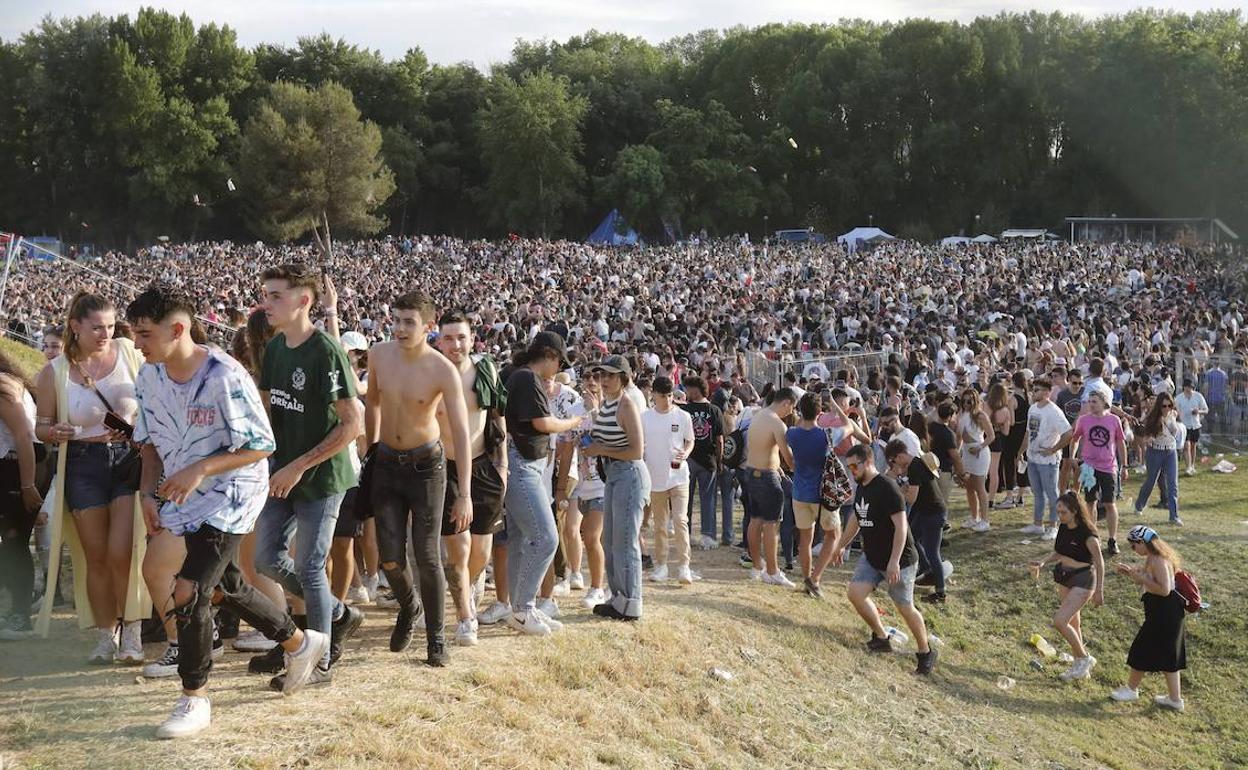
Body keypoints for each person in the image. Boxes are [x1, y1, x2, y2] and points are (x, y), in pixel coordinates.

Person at [127, 284, 329, 739]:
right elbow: (150, 444)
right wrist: (147, 495)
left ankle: (193, 698)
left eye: (144, 334)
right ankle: (300, 643)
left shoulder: (223, 374)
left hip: (233, 492)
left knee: (190, 589)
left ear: (177, 329)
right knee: (228, 584)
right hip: (183, 492)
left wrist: (200, 468)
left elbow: (261, 446)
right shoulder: (149, 376)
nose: (136, 344)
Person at [254, 265, 365, 682]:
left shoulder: (325, 351)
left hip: (320, 478)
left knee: (310, 567)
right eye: (266, 294)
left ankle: (317, 662)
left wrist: (299, 465)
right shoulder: (276, 348)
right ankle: (338, 613)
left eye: (276, 295)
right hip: (281, 473)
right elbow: (266, 411)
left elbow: (351, 424)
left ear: (304, 301)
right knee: (266, 560)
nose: (267, 303)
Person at [34, 291, 149, 661]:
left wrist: (137, 431)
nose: (105, 334)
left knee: (122, 552)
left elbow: (154, 398)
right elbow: (41, 427)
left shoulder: (130, 353)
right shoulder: (55, 371)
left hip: (128, 460)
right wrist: (56, 432)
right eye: (97, 327)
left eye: (111, 326)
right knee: (95, 555)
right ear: (75, 326)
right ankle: (106, 635)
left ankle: (132, 632)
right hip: (83, 462)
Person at [363, 292, 475, 664]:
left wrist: (465, 494)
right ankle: (409, 607)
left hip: (427, 467)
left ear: (428, 327)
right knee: (390, 558)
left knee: (427, 555)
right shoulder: (379, 355)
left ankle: (436, 639)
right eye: (395, 320)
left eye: (408, 322)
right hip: (386, 464)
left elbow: (460, 431)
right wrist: (372, 449)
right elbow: (373, 401)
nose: (399, 328)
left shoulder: (442, 370)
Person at [826, 444, 937, 675]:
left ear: (868, 462)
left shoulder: (887, 487)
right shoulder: (862, 487)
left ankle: (926, 651)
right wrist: (840, 546)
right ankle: (881, 636)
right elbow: (857, 519)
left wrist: (894, 561)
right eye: (849, 467)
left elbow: (901, 527)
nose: (852, 470)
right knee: (855, 593)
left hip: (899, 560)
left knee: (905, 607)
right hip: (873, 556)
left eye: (855, 466)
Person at [500, 332, 583, 634]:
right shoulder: (526, 378)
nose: (559, 368)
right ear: (549, 356)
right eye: (559, 361)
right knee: (546, 537)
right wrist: (574, 421)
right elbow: (543, 424)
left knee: (522, 541)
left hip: (524, 464)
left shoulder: (520, 375)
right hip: (522, 465)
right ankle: (523, 609)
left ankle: (520, 607)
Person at [434, 311, 508, 647]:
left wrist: (503, 465)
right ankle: (466, 617)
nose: (455, 345)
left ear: (471, 337)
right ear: (439, 339)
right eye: (448, 338)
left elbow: (497, 414)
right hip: (444, 468)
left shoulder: (486, 370)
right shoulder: (432, 373)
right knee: (459, 548)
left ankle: (471, 583)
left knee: (481, 550)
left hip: (483, 466)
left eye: (461, 337)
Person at [584, 355, 649, 620]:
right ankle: (618, 597)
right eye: (603, 375)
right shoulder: (609, 403)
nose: (606, 379)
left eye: (611, 375)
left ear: (624, 378)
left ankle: (631, 602)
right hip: (613, 474)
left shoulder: (627, 405)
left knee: (624, 542)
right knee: (610, 541)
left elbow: (636, 450)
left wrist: (600, 448)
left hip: (629, 475)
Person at [1027, 492, 1104, 681]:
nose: (1059, 515)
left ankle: (1084, 659)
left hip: (1083, 579)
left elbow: (1100, 563)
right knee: (1073, 623)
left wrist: (1100, 590)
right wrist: (1044, 562)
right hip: (1064, 577)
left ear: (1075, 511)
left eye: (1063, 512)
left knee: (1060, 621)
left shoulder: (1089, 535)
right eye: (1058, 511)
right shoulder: (1063, 528)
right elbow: (1058, 552)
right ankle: (1080, 662)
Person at [1110, 525, 1188, 711]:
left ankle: (1131, 689)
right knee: (1169, 657)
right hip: (1165, 614)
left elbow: (1164, 589)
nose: (1133, 549)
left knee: (1141, 649)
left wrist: (1141, 579)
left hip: (1164, 614)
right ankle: (1175, 700)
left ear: (1142, 542)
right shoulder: (1153, 558)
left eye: (1133, 545)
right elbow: (1153, 581)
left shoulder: (1158, 560)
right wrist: (1132, 572)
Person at [0, 351, 50, 639]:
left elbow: (23, 435)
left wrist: (28, 485)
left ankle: (20, 613)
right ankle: (17, 605)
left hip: (17, 468)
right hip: (13, 468)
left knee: (14, 540)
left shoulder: (4, 386)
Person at [1048, 390, 1128, 555]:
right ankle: (1093, 535)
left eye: (1094, 402)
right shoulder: (1084, 420)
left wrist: (1124, 466)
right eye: (1089, 401)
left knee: (1109, 503)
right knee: (1090, 502)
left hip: (1108, 467)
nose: (1091, 405)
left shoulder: (1114, 420)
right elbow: (1075, 438)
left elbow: (1120, 443)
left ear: (1104, 402)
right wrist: (1072, 457)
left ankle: (1112, 539)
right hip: (1089, 468)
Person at [741, 387, 798, 587]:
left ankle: (757, 566)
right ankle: (773, 571)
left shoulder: (758, 414)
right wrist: (798, 470)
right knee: (772, 524)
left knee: (755, 520)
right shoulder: (777, 423)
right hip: (766, 477)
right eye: (791, 408)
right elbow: (788, 457)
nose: (791, 412)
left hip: (751, 471)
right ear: (786, 403)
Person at [641, 376, 694, 583]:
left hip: (679, 475)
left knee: (681, 520)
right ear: (653, 395)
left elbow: (690, 441)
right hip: (655, 477)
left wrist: (686, 453)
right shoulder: (645, 417)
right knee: (660, 525)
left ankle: (684, 566)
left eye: (671, 395)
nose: (668, 399)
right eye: (663, 396)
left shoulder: (683, 416)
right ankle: (661, 565)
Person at [883, 440, 948, 603]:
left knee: (933, 551)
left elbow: (911, 498)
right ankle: (927, 570)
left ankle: (940, 592)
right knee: (911, 538)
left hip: (933, 513)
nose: (894, 464)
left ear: (899, 456)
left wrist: (894, 489)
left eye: (893, 460)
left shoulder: (915, 467)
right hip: (925, 511)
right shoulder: (916, 464)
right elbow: (912, 490)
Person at [786, 393, 833, 597]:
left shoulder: (792, 433)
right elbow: (849, 428)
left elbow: (796, 428)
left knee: (805, 539)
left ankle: (807, 577)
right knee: (833, 535)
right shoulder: (825, 434)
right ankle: (815, 578)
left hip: (799, 493)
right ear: (819, 412)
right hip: (821, 495)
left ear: (800, 411)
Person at [1021, 378, 1070, 539]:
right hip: (1033, 457)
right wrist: (1021, 451)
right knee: (1037, 493)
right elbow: (1029, 432)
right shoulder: (1033, 408)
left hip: (1048, 461)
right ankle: (1037, 524)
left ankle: (1053, 526)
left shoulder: (1054, 411)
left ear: (1047, 392)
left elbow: (1068, 433)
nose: (1034, 392)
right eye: (1033, 389)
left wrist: (1053, 449)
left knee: (1052, 494)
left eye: (1037, 390)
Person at [680, 376, 725, 550]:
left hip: (689, 459)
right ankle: (708, 535)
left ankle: (686, 534)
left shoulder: (685, 411)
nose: (686, 392)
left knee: (686, 499)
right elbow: (719, 439)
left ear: (695, 389)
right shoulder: (714, 410)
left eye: (688, 388)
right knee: (708, 499)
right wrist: (720, 461)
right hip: (709, 460)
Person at [1132, 392, 1183, 526]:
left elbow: (1176, 431)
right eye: (1163, 406)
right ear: (1159, 406)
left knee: (1173, 484)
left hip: (1170, 451)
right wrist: (1152, 437)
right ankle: (1139, 504)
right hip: (1155, 452)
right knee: (1151, 481)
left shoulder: (1173, 415)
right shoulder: (1153, 418)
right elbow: (1145, 439)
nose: (1166, 408)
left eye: (1169, 405)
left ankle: (1174, 516)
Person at [957, 388, 995, 532]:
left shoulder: (981, 416)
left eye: (969, 401)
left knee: (979, 487)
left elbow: (991, 436)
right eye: (964, 401)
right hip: (967, 452)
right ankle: (974, 517)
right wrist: (958, 452)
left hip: (980, 452)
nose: (966, 404)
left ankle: (985, 520)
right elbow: (960, 437)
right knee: (969, 487)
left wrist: (979, 447)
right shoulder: (961, 415)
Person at [986, 382, 1014, 510]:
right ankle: (990, 500)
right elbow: (1007, 432)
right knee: (994, 471)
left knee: (982, 471)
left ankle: (981, 496)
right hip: (997, 440)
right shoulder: (1005, 411)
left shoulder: (986, 406)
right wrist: (1000, 425)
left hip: (985, 438)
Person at [1174, 379, 1207, 476]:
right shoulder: (1178, 398)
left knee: (1193, 445)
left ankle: (1192, 465)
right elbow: (1176, 411)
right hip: (1184, 425)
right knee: (1186, 446)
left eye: (1191, 387)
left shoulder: (1198, 396)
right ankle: (1188, 467)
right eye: (1187, 387)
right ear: (1184, 387)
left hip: (1195, 424)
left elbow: (1206, 409)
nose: (1189, 389)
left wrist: (1198, 412)